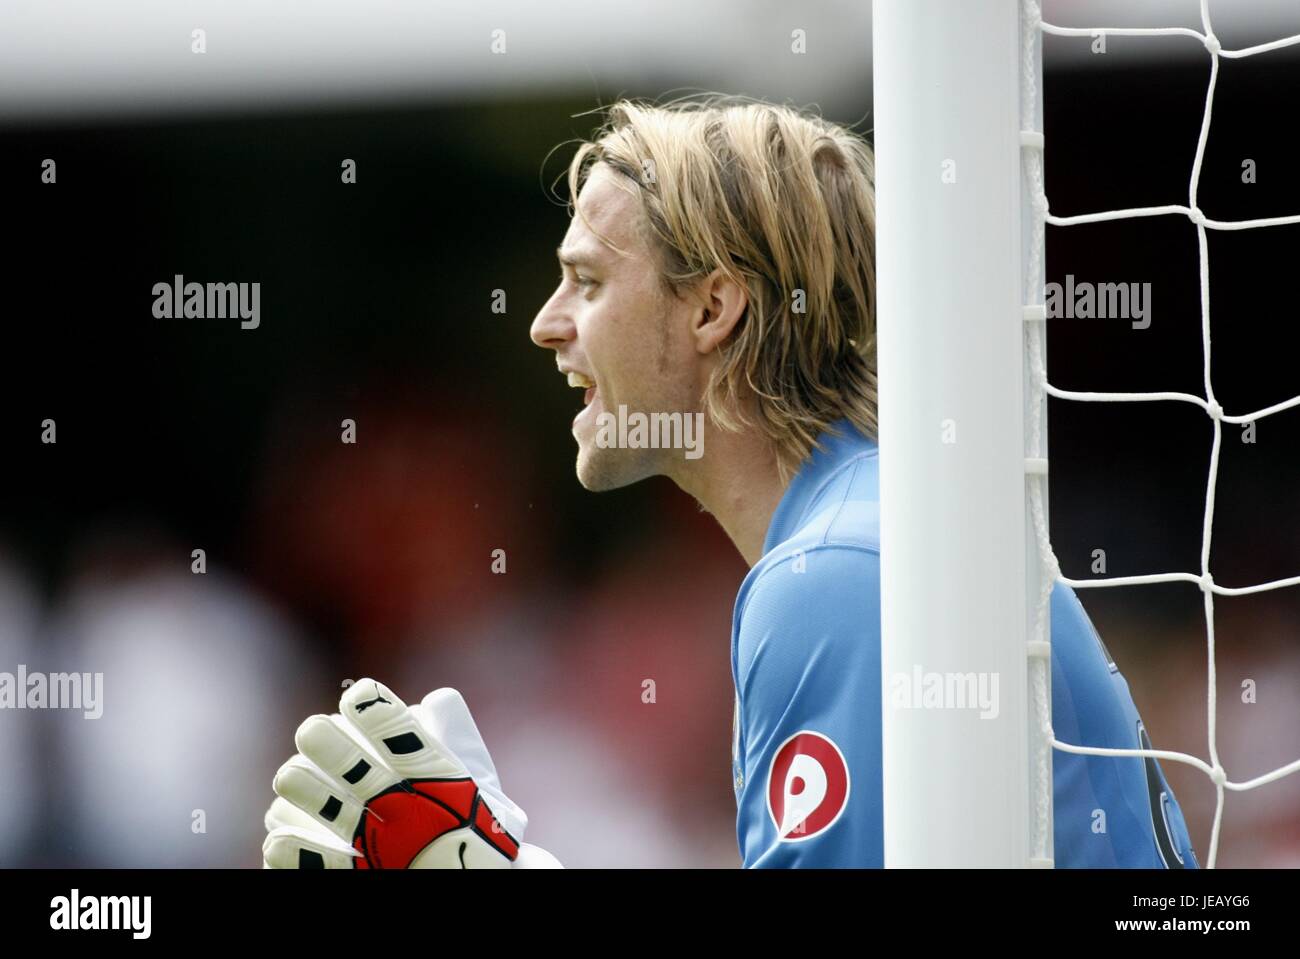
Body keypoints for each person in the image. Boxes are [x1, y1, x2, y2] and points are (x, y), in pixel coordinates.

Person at [263, 95, 1198, 869]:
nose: (546, 324)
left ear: (714, 306)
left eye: (586, 281)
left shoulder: (835, 572)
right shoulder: (874, 529)